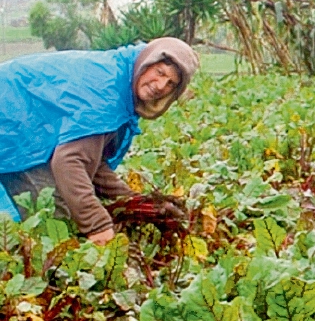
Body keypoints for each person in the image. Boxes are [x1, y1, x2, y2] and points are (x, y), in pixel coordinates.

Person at [0, 38, 199, 243]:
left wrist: (133, 201)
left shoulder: (122, 82)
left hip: (27, 128)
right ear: (147, 62)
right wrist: (98, 226)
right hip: (12, 122)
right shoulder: (108, 91)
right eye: (160, 73)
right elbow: (69, 161)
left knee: (66, 212)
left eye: (171, 84)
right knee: (54, 217)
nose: (160, 86)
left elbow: (93, 161)